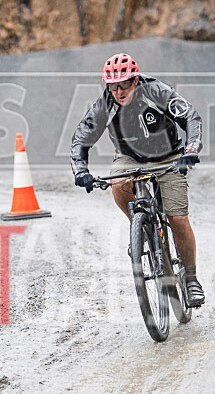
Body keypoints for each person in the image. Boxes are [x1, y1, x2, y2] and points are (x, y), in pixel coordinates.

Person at [70, 52, 205, 306]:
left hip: (168, 157)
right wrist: (81, 171)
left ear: (135, 80)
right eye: (112, 86)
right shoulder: (104, 104)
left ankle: (191, 279)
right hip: (129, 158)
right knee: (118, 183)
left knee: (177, 218)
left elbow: (191, 117)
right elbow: (81, 139)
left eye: (123, 84)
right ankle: (139, 227)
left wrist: (191, 150)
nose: (119, 91)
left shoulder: (156, 91)